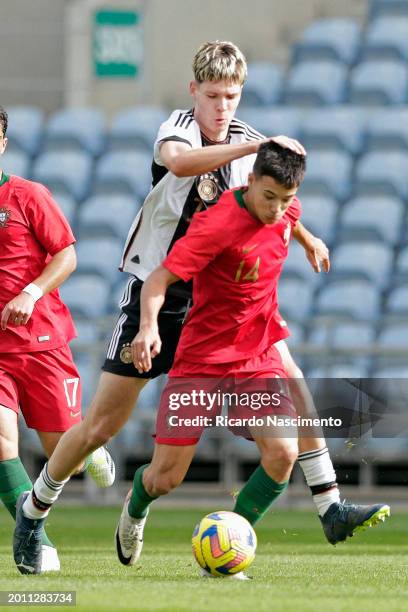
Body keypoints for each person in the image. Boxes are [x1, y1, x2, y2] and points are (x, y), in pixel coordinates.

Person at [13, 42, 388, 574]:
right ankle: (34, 512)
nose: (222, 107)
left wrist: (305, 236)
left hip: (219, 303)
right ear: (195, 92)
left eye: (232, 97)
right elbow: (180, 163)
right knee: (99, 426)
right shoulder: (182, 129)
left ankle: (328, 504)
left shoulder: (250, 147)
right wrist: (246, 151)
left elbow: (274, 197)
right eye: (212, 95)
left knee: (290, 372)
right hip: (159, 292)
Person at [112, 142, 389, 577]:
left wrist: (309, 239)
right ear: (252, 181)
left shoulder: (283, 210)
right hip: (201, 360)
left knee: (281, 453)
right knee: (166, 477)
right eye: (270, 198)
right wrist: (148, 328)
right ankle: (136, 504)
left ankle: (224, 555)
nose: (278, 209)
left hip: (256, 357)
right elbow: (160, 279)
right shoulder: (216, 224)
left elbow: (289, 220)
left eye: (288, 199)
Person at [0, 105, 115, 574]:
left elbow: (66, 254)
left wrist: (30, 291)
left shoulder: (27, 195)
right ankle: (37, 543)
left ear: (2, 142)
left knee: (61, 450)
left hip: (41, 342)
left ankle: (88, 447)